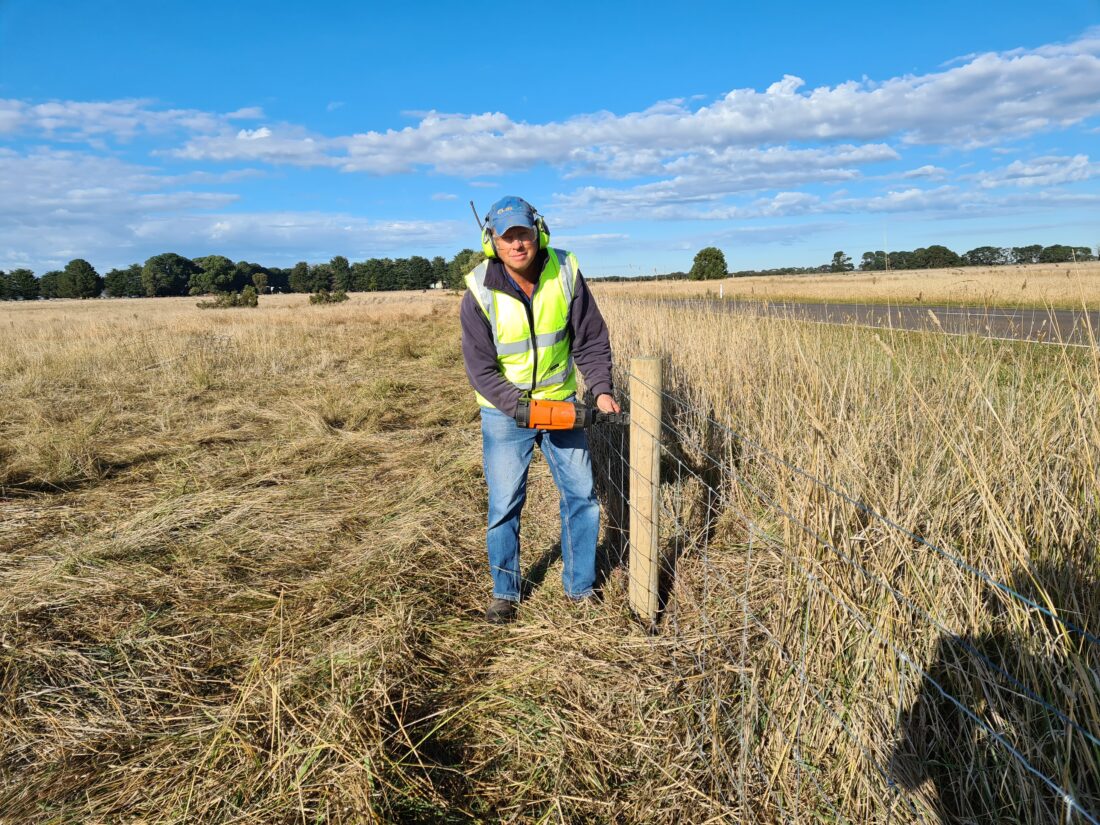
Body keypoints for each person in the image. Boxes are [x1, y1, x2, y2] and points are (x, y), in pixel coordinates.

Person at [460, 195, 620, 624]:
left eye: (523, 234)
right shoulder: (478, 288)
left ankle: (580, 588)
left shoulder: (565, 270)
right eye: (506, 236)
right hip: (503, 413)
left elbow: (590, 339)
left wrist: (600, 389)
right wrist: (522, 410)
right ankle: (504, 592)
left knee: (582, 496)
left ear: (538, 232)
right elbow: (480, 369)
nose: (517, 244)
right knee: (505, 503)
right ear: (491, 240)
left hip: (561, 401)